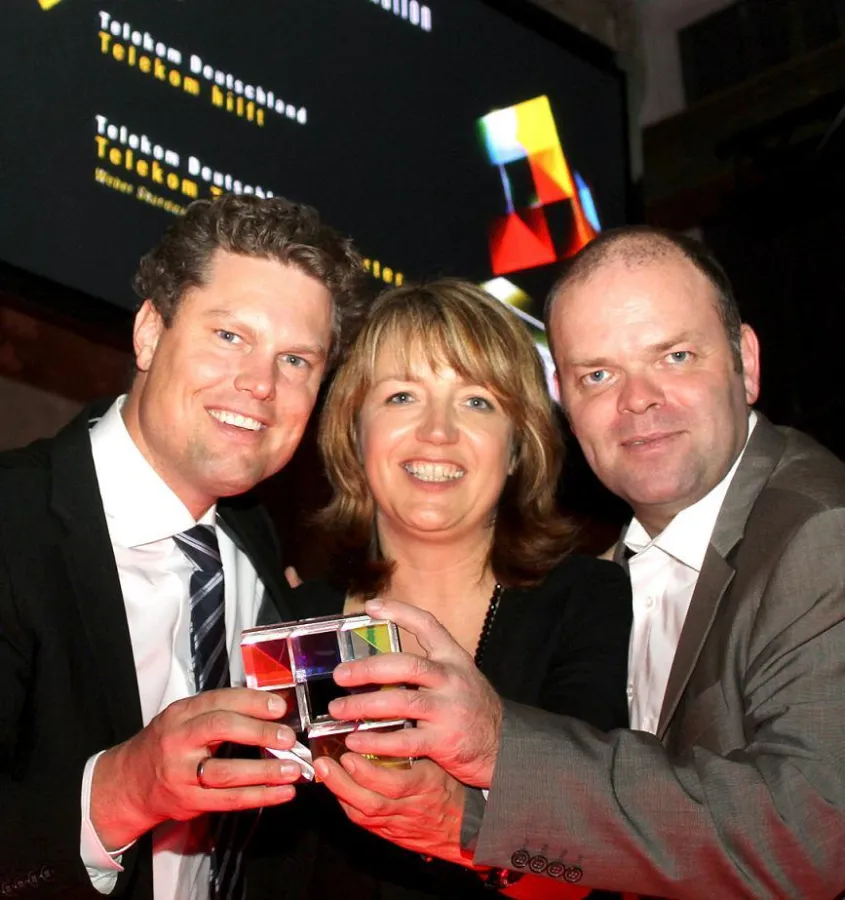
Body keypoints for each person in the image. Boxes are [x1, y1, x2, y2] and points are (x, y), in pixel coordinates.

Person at [313, 227, 845, 899]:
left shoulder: (821, 534)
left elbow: (811, 840)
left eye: (675, 356)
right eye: (598, 374)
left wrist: (486, 779)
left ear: (746, 361)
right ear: (565, 402)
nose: (638, 398)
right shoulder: (622, 565)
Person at [0, 193, 366, 900]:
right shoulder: (13, 522)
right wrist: (119, 793)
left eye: (295, 360)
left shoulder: (258, 544)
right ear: (148, 333)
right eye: (229, 335)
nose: (260, 384)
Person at [249, 279, 631, 899]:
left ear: (518, 446)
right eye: (402, 396)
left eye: (477, 401)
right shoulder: (289, 618)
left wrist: (468, 829)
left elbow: (593, 861)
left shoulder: (588, 602)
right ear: (353, 432)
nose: (437, 431)